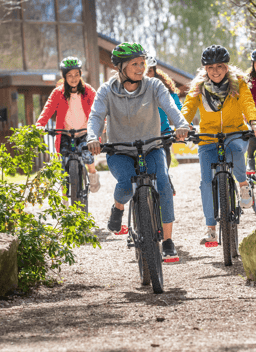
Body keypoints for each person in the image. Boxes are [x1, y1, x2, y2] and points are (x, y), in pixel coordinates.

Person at [86, 42, 189, 261]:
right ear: (121, 67)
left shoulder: (153, 86)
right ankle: (118, 207)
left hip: (151, 148)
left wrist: (182, 125)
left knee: (162, 185)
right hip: (120, 151)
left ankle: (168, 241)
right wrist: (93, 138)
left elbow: (170, 107)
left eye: (142, 63)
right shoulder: (107, 89)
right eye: (135, 64)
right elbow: (96, 116)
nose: (141, 68)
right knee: (125, 183)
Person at [181, 45, 256, 245]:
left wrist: (254, 122)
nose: (215, 71)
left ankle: (243, 185)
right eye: (210, 67)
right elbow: (188, 107)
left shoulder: (239, 83)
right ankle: (210, 228)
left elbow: (247, 102)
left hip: (234, 131)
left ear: (226, 67)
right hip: (208, 137)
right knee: (206, 182)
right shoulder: (199, 87)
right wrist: (182, 125)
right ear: (205, 69)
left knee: (237, 149)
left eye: (219, 66)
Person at [36, 57, 100, 197]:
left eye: (76, 74)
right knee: (64, 161)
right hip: (65, 132)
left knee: (87, 154)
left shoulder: (88, 90)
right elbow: (48, 109)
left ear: (80, 74)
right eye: (70, 75)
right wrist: (40, 125)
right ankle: (66, 194)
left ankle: (93, 173)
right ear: (64, 76)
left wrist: (104, 124)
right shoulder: (58, 92)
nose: (74, 78)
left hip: (84, 131)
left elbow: (99, 108)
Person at [146, 56, 182, 168]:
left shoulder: (164, 88)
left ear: (155, 72)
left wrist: (186, 125)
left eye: (149, 71)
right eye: (143, 71)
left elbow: (178, 108)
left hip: (162, 133)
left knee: (163, 171)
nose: (146, 74)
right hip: (140, 134)